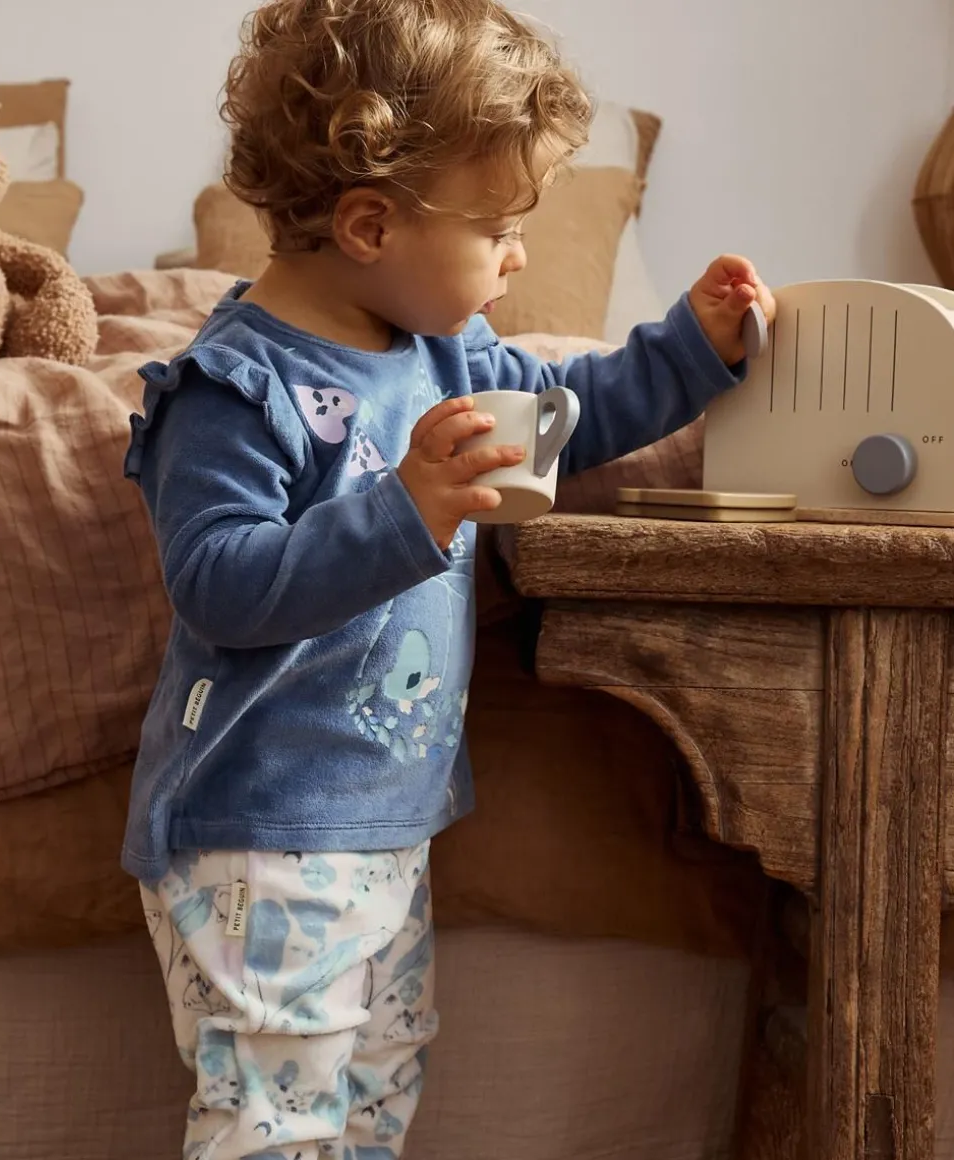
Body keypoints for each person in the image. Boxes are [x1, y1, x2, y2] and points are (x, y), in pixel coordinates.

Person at [122, 1, 777, 1156]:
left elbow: (573, 413)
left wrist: (689, 348)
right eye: (499, 228)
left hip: (386, 822)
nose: (516, 256)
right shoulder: (234, 386)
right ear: (369, 223)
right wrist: (404, 508)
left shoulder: (446, 354)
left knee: (375, 1090)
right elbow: (218, 580)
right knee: (276, 1122)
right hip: (261, 829)